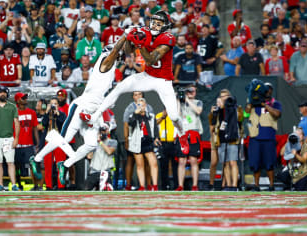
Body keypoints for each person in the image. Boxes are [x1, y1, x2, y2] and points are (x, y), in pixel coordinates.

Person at [89, 11, 190, 155]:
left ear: (165, 26)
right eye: (153, 21)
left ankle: (182, 135)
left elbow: (151, 60)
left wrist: (140, 44)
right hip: (147, 76)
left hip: (163, 80)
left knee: (173, 116)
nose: (154, 25)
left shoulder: (168, 38)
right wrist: (131, 38)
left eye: (159, 23)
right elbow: (129, 51)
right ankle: (95, 115)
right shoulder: (144, 31)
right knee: (120, 87)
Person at [30, 37, 127, 181]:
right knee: (65, 138)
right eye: (118, 56)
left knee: (91, 144)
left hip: (93, 109)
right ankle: (37, 159)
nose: (119, 58)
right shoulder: (105, 62)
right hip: (82, 105)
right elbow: (114, 53)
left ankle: (66, 164)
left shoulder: (111, 68)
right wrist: (124, 36)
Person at [245, 83, 282, 191]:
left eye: (269, 89)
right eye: (265, 89)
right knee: (255, 163)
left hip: (268, 137)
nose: (267, 91)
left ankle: (271, 185)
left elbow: (277, 114)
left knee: (269, 163)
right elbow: (246, 114)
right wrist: (251, 103)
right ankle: (256, 186)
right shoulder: (253, 102)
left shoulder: (275, 103)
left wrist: (265, 104)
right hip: (255, 137)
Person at [211, 89, 242, 191]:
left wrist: (229, 106)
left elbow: (240, 118)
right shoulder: (218, 109)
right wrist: (216, 110)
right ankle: (228, 185)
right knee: (225, 163)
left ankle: (234, 185)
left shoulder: (234, 106)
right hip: (221, 138)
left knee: (233, 162)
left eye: (225, 96)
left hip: (232, 138)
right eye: (221, 96)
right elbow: (213, 123)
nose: (224, 98)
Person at [127, 97, 159, 191]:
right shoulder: (133, 116)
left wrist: (156, 138)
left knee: (153, 163)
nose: (142, 107)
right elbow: (131, 124)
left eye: (143, 104)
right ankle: (142, 185)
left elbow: (155, 128)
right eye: (139, 104)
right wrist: (136, 113)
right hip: (137, 142)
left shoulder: (151, 116)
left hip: (148, 141)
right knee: (140, 165)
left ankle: (155, 185)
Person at [175, 85, 203, 191]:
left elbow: (198, 111)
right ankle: (180, 185)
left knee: (193, 160)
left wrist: (187, 99)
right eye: (189, 91)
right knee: (182, 161)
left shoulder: (198, 102)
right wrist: (178, 100)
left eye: (193, 91)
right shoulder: (181, 103)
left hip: (193, 133)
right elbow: (177, 115)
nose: (191, 92)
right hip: (183, 133)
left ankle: (195, 185)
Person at [14, 92, 39, 190]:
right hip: (17, 145)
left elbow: (35, 128)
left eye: (25, 98)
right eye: (23, 98)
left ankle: (36, 185)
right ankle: (18, 184)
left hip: (29, 144)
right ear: (18, 100)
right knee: (17, 166)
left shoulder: (32, 112)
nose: (25, 99)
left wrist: (37, 144)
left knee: (33, 165)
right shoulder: (14, 112)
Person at [84, 123, 117, 191]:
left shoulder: (112, 142)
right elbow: (89, 156)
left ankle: (105, 185)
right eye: (101, 130)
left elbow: (109, 151)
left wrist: (101, 142)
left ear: (108, 131)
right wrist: (95, 142)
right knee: (86, 190)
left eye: (105, 130)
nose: (103, 132)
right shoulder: (93, 142)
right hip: (94, 172)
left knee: (106, 190)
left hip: (106, 172)